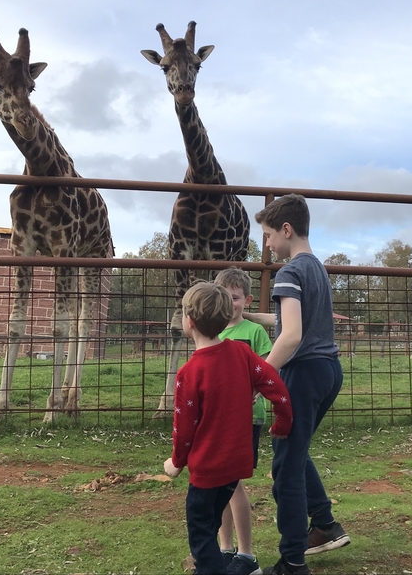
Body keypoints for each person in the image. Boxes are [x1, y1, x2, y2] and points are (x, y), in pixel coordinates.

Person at [245, 194, 350, 575]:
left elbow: (290, 338)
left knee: (285, 471)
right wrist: (247, 315)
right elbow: (288, 321)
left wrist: (258, 380)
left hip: (301, 374)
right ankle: (323, 523)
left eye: (270, 235)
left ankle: (292, 561)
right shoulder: (316, 268)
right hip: (328, 371)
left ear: (286, 230)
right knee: (295, 450)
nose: (268, 244)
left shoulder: (288, 273)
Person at [163, 282, 293, 575]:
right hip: (235, 466)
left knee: (201, 533)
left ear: (190, 322)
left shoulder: (189, 373)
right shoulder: (242, 354)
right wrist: (282, 422)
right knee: (210, 522)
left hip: (207, 471)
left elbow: (184, 430)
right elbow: (277, 387)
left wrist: (176, 463)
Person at [213, 267, 273, 575]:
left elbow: (267, 372)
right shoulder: (214, 333)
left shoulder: (254, 333)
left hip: (247, 418)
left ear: (247, 300)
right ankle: (225, 550)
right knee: (220, 484)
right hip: (219, 420)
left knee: (233, 483)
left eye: (235, 297)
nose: (229, 302)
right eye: (223, 296)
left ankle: (247, 556)